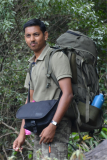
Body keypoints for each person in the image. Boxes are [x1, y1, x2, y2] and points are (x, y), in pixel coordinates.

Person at [13, 19, 73, 160]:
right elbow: (30, 101)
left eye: (36, 34)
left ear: (45, 35)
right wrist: (22, 134)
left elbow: (68, 94)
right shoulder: (32, 63)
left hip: (56, 125)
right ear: (25, 38)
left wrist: (53, 125)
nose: (32, 39)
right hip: (38, 124)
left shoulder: (56, 57)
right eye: (28, 36)